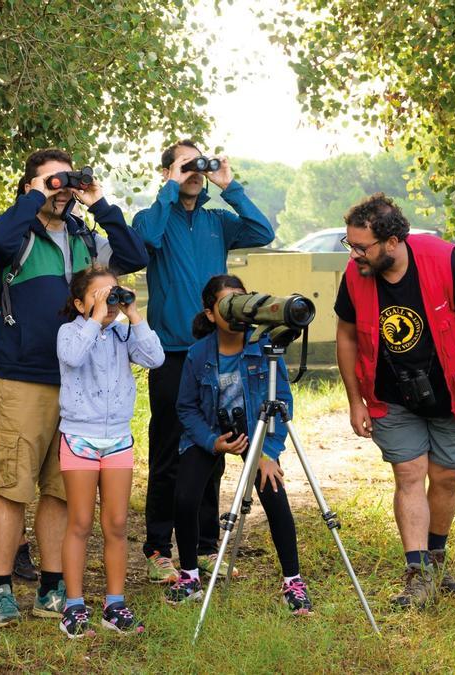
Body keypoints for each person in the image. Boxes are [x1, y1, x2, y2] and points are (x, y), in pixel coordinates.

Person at [0, 148, 148, 627]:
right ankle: (1, 590)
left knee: (58, 489)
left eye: (67, 180)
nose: (62, 188)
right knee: (13, 485)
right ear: (32, 185)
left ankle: (53, 585)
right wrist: (34, 196)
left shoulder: (85, 238)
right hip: (25, 378)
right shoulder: (18, 237)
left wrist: (97, 202)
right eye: (50, 181)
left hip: (77, 384)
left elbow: (134, 256)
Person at [334, 193, 455, 608]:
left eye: (361, 246)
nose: (354, 255)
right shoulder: (356, 274)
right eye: (349, 245)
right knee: (409, 475)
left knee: (445, 478)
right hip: (390, 396)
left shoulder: (444, 259)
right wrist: (355, 401)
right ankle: (418, 573)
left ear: (392, 241)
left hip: (451, 392)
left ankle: (437, 561)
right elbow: (347, 336)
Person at [131, 140, 277, 584]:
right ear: (167, 173)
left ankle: (205, 545)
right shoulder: (153, 216)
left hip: (215, 354)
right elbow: (146, 240)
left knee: (214, 448)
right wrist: (171, 188)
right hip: (170, 355)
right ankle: (158, 547)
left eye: (199, 165)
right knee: (169, 450)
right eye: (184, 166)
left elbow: (262, 231)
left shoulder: (218, 221)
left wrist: (229, 186)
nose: (195, 172)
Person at [167, 276, 313, 615]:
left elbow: (281, 402)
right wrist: (210, 442)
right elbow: (185, 407)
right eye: (227, 304)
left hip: (254, 428)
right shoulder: (197, 353)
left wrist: (268, 454)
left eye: (241, 300)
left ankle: (293, 580)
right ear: (210, 314)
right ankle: (189, 575)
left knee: (273, 491)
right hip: (208, 430)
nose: (237, 310)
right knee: (185, 496)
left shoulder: (262, 347)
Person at [55, 265, 164, 638]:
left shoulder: (123, 333)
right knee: (81, 523)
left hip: (117, 439)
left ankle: (114, 604)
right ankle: (73, 605)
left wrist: (133, 314)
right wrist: (95, 319)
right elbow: (72, 357)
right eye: (100, 296)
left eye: (114, 294)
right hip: (79, 439)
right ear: (79, 302)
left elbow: (155, 358)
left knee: (116, 525)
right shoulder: (70, 332)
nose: (110, 303)